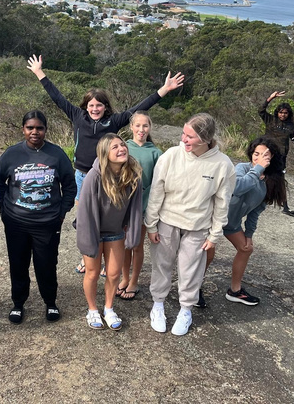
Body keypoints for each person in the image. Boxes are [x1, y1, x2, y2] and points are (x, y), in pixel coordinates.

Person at [27, 54, 184, 274]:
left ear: (105, 107)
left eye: (99, 105)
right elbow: (57, 97)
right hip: (83, 175)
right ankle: (89, 258)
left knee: (107, 219)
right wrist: (39, 73)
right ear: (85, 106)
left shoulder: (115, 121)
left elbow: (142, 106)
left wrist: (164, 89)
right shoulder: (77, 115)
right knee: (85, 220)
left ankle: (105, 258)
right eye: (91, 105)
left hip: (109, 177)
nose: (94, 109)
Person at [145, 113, 235, 336]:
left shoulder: (223, 165)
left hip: (198, 226)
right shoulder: (171, 156)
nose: (183, 139)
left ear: (205, 139)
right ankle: (158, 305)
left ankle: (186, 309)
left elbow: (222, 203)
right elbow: (156, 191)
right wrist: (151, 224)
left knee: (190, 271)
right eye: (183, 134)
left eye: (190, 136)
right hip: (167, 221)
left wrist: (215, 235)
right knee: (162, 266)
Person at [0, 110, 77, 324]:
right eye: (30, 128)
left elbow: (69, 186)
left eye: (39, 128)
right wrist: (4, 212)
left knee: (46, 264)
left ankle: (50, 302)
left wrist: (61, 213)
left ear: (45, 130)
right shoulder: (11, 155)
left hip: (47, 224)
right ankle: (18, 303)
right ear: (23, 129)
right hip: (16, 223)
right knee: (18, 263)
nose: (35, 132)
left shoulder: (57, 155)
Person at [199, 137, 287, 308]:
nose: (259, 158)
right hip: (213, 219)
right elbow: (237, 187)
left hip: (232, 223)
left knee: (246, 248)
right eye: (256, 154)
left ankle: (235, 290)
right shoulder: (242, 168)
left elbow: (256, 210)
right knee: (208, 252)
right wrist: (257, 169)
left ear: (272, 158)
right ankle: (194, 287)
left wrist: (249, 234)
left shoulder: (271, 181)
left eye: (265, 155)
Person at [76, 133, 143, 330]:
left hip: (115, 232)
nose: (121, 149)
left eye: (122, 145)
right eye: (115, 147)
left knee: (113, 274)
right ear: (105, 153)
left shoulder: (133, 175)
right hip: (93, 231)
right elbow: (85, 211)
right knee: (92, 273)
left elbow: (135, 208)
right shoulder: (94, 176)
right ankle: (92, 309)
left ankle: (109, 308)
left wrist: (132, 234)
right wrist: (88, 242)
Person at [118, 111, 162, 300]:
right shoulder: (123, 148)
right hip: (123, 206)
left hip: (143, 207)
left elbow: (158, 182)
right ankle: (124, 277)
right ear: (131, 127)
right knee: (124, 245)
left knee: (136, 244)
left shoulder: (156, 152)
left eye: (145, 126)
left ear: (149, 128)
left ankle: (134, 281)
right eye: (138, 125)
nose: (141, 129)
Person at [259, 91, 294, 216]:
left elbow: (293, 137)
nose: (282, 115)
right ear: (277, 113)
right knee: (261, 174)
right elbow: (261, 110)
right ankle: (256, 198)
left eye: (285, 113)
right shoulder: (270, 120)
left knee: (280, 179)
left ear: (288, 114)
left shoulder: (290, 125)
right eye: (280, 112)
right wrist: (270, 98)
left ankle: (285, 206)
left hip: (281, 155)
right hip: (267, 152)